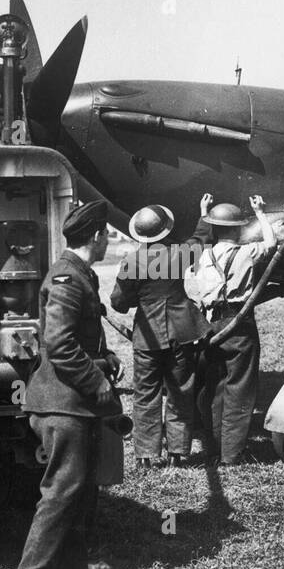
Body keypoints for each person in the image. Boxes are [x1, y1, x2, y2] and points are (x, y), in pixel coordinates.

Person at [16, 200, 123, 569]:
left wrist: (106, 357)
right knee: (63, 487)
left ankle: (71, 567)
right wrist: (97, 381)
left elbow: (78, 337)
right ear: (96, 236)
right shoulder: (66, 277)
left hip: (74, 403)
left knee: (82, 487)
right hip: (62, 403)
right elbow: (58, 344)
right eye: (107, 234)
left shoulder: (81, 274)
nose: (109, 240)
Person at [110, 201, 211, 469]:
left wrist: (138, 297)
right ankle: (177, 452)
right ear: (166, 229)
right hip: (182, 331)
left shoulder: (132, 261)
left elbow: (119, 302)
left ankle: (145, 454)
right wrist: (203, 213)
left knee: (145, 395)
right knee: (180, 392)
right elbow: (200, 238)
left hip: (147, 336)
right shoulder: (180, 253)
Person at [191, 194, 277, 466]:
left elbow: (199, 243)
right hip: (238, 324)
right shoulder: (248, 252)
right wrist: (260, 213)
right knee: (239, 388)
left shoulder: (201, 256)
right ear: (239, 229)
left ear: (214, 228)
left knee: (214, 389)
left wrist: (202, 213)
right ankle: (231, 455)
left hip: (209, 325)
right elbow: (272, 244)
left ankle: (215, 449)